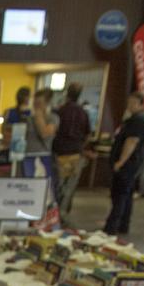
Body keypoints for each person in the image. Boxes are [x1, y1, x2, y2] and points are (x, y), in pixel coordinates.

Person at [104, 91, 144, 236]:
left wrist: (120, 162)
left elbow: (132, 142)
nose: (130, 105)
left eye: (133, 103)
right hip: (128, 163)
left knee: (120, 194)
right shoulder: (131, 120)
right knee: (126, 194)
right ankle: (123, 225)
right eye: (129, 102)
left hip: (127, 164)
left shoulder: (138, 121)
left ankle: (112, 226)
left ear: (141, 105)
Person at [53, 83, 91, 223]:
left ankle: (55, 212)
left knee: (58, 185)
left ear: (67, 94)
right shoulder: (83, 113)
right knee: (69, 187)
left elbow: (53, 132)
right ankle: (63, 212)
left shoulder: (59, 111)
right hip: (76, 154)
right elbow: (88, 135)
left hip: (60, 154)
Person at [22, 88, 57, 179]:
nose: (36, 106)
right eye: (35, 103)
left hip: (43, 156)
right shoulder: (28, 118)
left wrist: (38, 116)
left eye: (39, 103)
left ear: (47, 104)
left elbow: (44, 133)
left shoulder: (53, 118)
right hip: (27, 156)